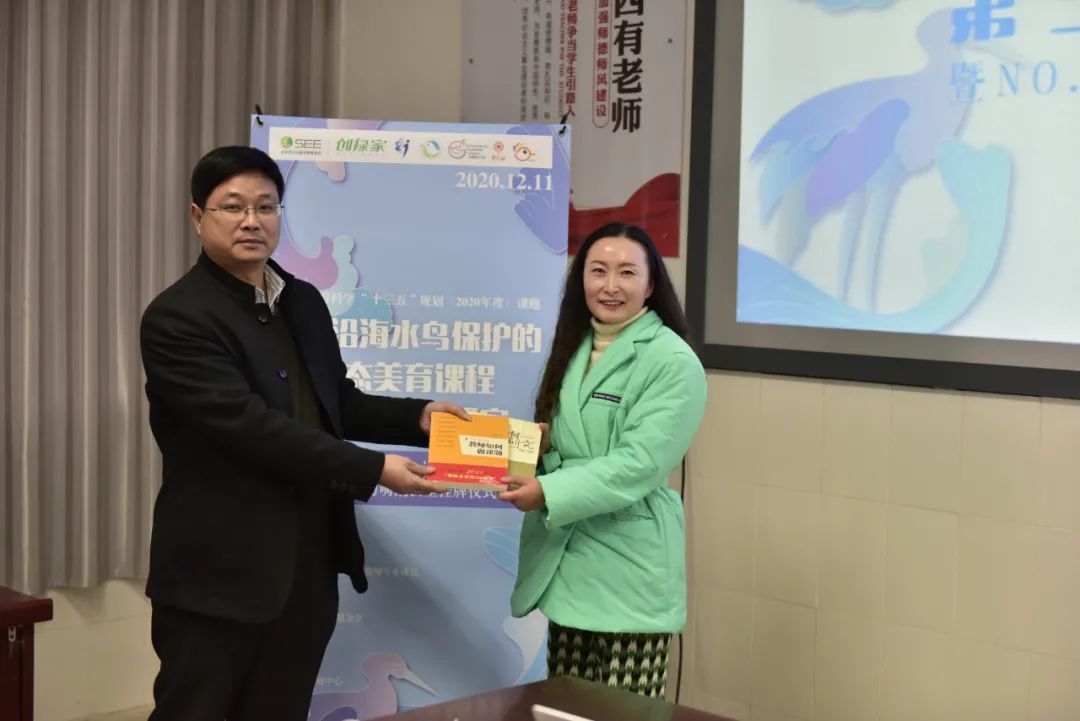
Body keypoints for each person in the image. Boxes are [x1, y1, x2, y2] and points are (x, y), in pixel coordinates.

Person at [139, 145, 467, 721]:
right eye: (232, 207)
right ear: (198, 217)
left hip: (306, 568)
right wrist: (374, 469)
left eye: (266, 206)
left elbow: (334, 400)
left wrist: (418, 418)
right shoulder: (178, 317)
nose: (251, 221)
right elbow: (250, 429)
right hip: (217, 576)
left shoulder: (303, 300)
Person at [499, 222, 706, 698]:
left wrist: (548, 490)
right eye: (598, 271)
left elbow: (639, 464)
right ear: (581, 281)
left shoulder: (672, 361)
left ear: (650, 285)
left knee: (623, 713)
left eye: (626, 272)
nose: (610, 286)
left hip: (627, 570)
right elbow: (575, 442)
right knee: (566, 708)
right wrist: (540, 449)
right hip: (569, 565)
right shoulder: (576, 347)